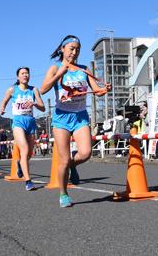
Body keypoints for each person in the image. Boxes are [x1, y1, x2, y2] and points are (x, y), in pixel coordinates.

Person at [40, 35, 111, 207]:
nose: (74, 52)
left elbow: (96, 91)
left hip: (80, 116)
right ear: (62, 49)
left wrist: (104, 89)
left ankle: (73, 165)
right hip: (61, 118)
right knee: (62, 160)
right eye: (71, 48)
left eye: (77, 49)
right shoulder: (55, 67)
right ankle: (63, 194)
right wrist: (60, 74)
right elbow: (43, 89)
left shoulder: (84, 69)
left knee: (86, 153)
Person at [0, 67, 46, 191]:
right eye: (22, 73)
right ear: (18, 77)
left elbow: (43, 108)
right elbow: (4, 101)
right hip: (18, 121)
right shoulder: (12, 90)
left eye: (27, 73)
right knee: (24, 149)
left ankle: (20, 163)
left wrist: (35, 104)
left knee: (29, 153)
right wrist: (2, 108)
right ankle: (28, 181)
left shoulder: (34, 90)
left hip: (30, 121)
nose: (25, 75)